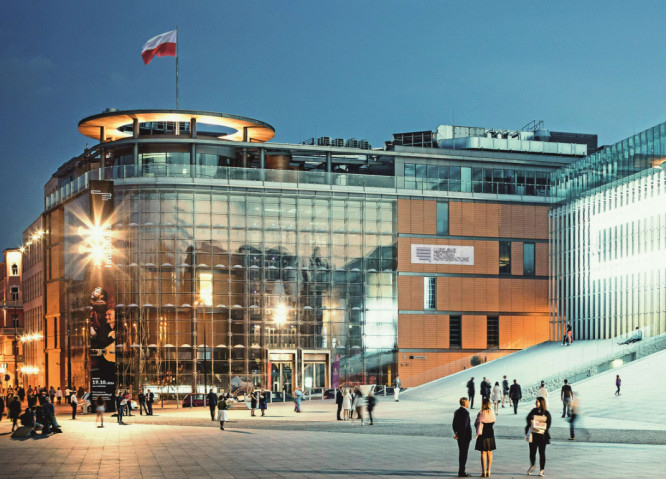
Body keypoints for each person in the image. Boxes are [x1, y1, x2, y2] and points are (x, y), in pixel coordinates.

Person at [525, 397, 552, 476]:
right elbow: (527, 418)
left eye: (537, 402)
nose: (535, 403)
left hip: (542, 436)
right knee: (532, 452)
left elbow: (549, 423)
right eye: (536, 402)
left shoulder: (546, 413)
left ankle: (542, 470)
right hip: (533, 435)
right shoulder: (533, 411)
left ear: (541, 402)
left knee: (542, 453)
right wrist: (531, 422)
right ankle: (532, 465)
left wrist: (542, 426)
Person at [474, 398, 496, 478]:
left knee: (483, 452)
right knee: (489, 452)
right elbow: (494, 421)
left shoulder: (481, 413)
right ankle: (488, 470)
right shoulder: (492, 412)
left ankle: (483, 471)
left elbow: (476, 423)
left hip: (482, 434)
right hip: (490, 433)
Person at [452, 397, 473, 477]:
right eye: (468, 402)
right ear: (465, 403)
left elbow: (454, 424)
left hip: (459, 436)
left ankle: (461, 470)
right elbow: (465, 425)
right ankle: (462, 471)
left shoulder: (457, 412)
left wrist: (456, 433)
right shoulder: (466, 413)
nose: (468, 403)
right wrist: (464, 435)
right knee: (464, 454)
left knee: (461, 453)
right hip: (465, 437)